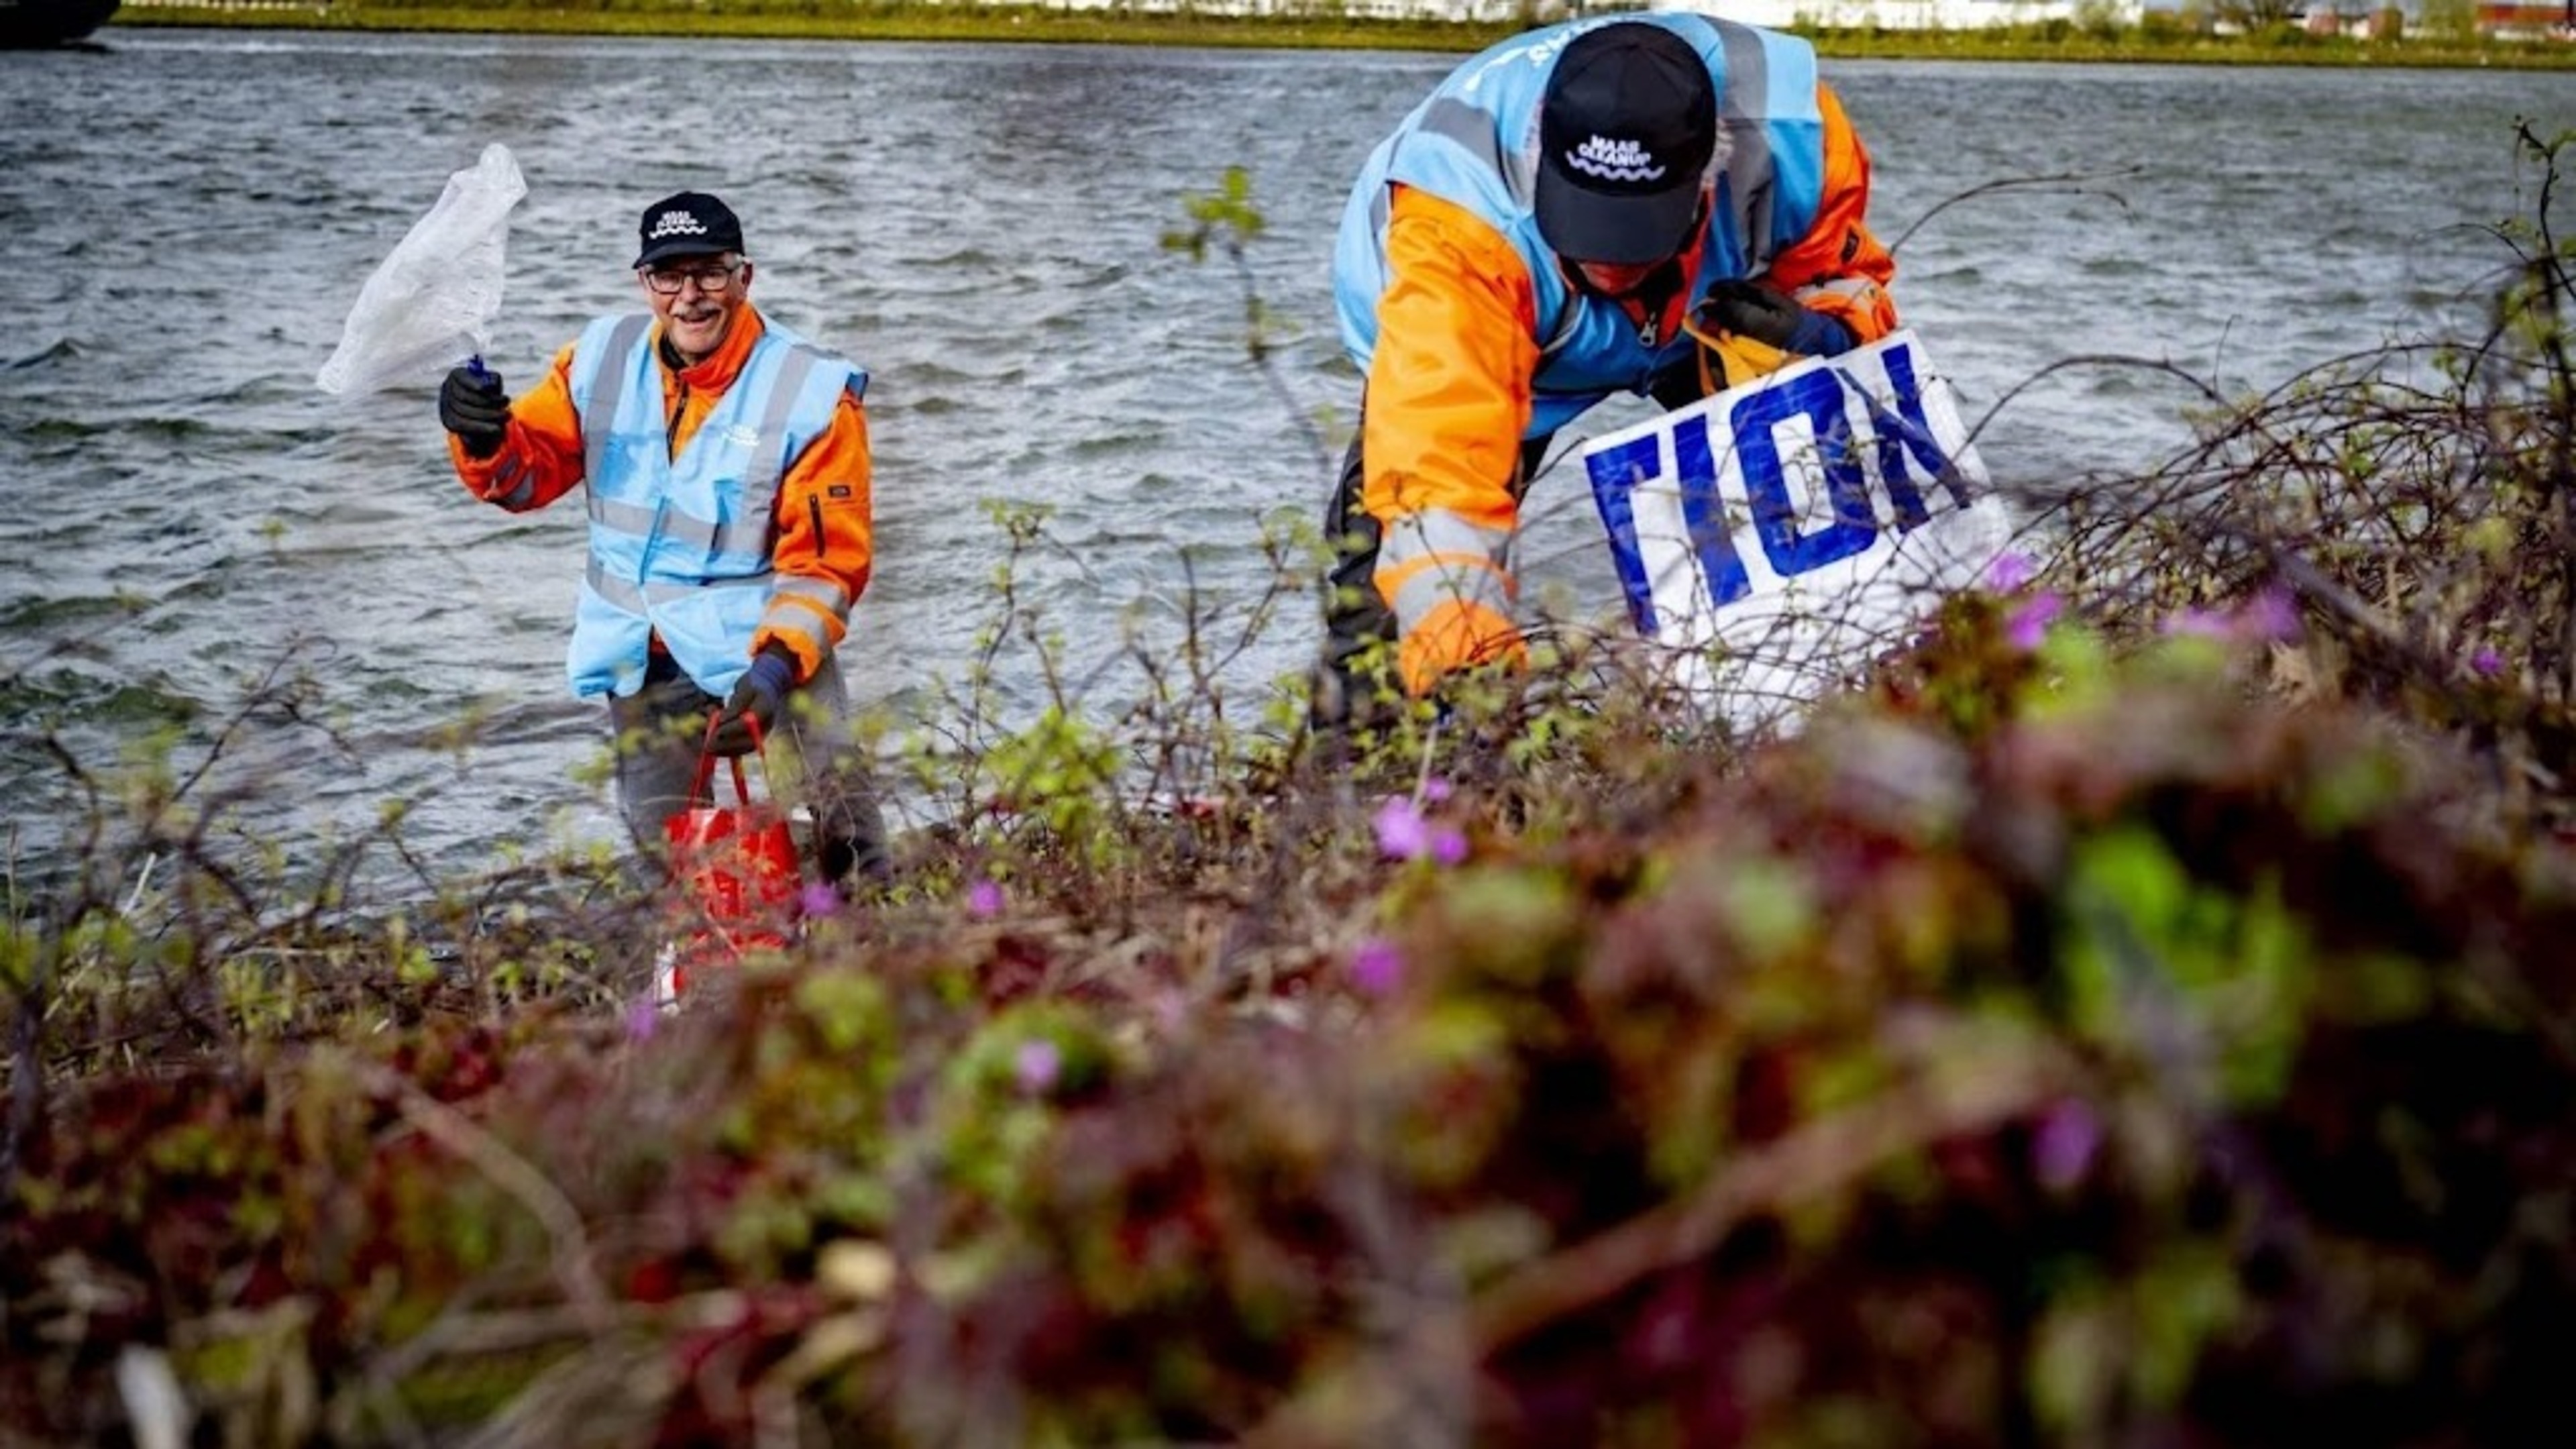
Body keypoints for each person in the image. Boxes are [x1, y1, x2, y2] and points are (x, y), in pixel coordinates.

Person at [1317, 13, 1901, 729]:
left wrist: (1822, 333)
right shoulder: (1458, 230)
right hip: (1501, 339)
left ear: (1707, 184)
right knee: (1384, 614)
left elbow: (1848, 280)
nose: (1612, 266)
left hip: (1711, 316)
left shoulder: (1799, 136)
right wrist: (1473, 683)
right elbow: (1438, 484)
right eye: (1591, 235)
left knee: (1832, 511)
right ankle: (1358, 803)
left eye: (1637, 239)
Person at [437, 190, 890, 888]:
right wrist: (482, 434)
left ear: (745, 276)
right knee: (664, 867)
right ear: (643, 282)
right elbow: (522, 483)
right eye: (668, 276)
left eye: (710, 272)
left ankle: (880, 956)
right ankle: (697, 987)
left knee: (843, 833)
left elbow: (825, 567)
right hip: (638, 654)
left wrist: (772, 673)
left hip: (766, 656)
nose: (690, 297)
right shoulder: (598, 358)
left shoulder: (814, 391)